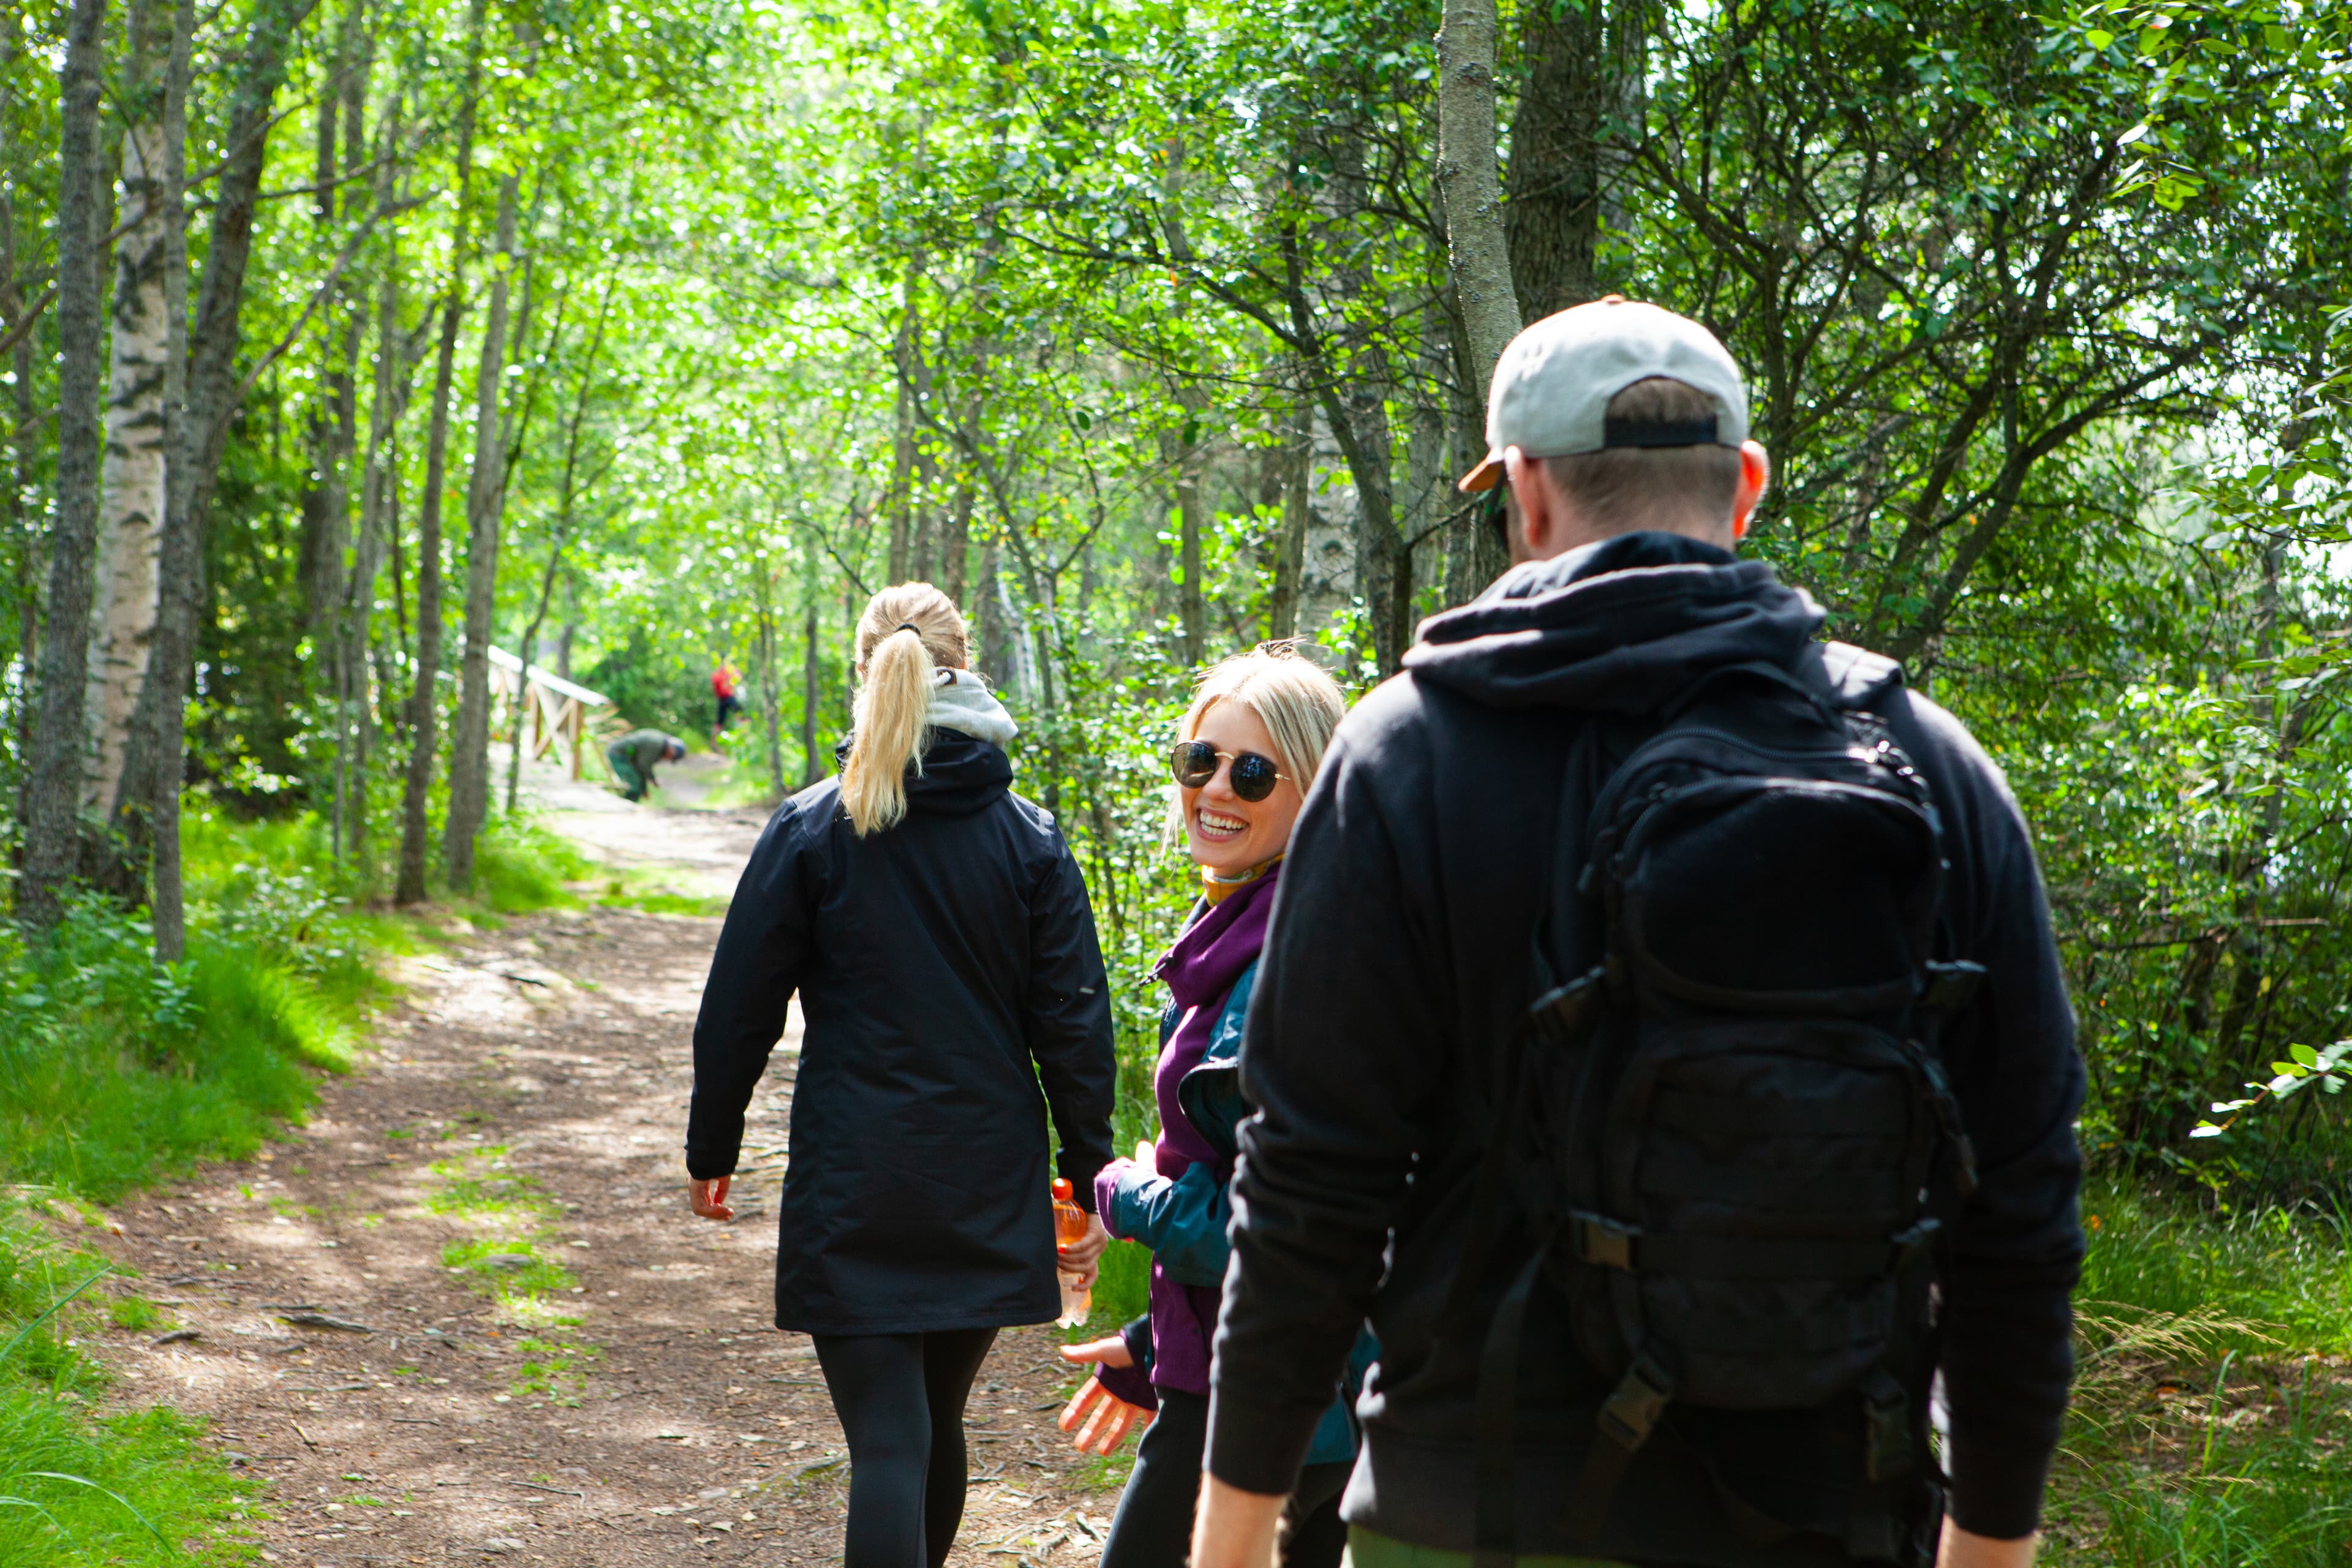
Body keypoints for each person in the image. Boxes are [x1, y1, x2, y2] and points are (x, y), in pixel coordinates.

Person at [1193, 301, 2084, 1568]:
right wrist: (1988, 1541)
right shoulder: (1925, 761)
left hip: (1474, 1506)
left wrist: (1227, 1541)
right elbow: (2025, 1198)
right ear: (1748, 489)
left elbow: (1311, 1185)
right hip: (1836, 1510)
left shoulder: (1406, 754)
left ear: (1528, 493)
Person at [685, 581, 1118, 1568]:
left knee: (891, 1436)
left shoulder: (811, 828)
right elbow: (1076, 1028)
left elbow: (737, 1012)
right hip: (983, 1176)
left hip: (857, 1178)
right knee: (932, 1422)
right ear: (968, 671)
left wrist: (712, 1147)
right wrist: (1090, 1177)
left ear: (865, 678)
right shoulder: (1032, 839)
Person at [1057, 646, 1370, 1568]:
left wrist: (1118, 1191)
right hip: (1281, 1384)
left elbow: (1268, 1227)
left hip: (1274, 1400)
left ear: (1314, 789)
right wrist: (1158, 1346)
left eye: (1254, 771)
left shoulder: (1286, 967)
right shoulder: (1243, 939)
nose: (1216, 789)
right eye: (1202, 760)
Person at [606, 729, 684, 803]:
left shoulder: (659, 741)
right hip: (618, 755)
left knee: (636, 781)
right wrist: (649, 783)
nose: (667, 759)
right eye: (671, 758)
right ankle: (626, 809)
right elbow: (643, 766)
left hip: (624, 756)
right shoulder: (656, 744)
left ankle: (627, 806)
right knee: (634, 782)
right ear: (672, 750)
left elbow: (640, 766)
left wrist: (645, 788)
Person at [712, 660, 744, 740]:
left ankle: (713, 741)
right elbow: (736, 677)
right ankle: (743, 734)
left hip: (722, 699)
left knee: (720, 721)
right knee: (739, 713)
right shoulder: (724, 674)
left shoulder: (716, 675)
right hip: (728, 698)